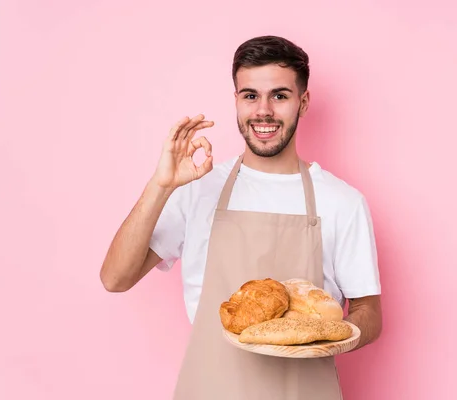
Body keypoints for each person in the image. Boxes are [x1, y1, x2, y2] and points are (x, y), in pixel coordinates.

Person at [100, 35, 382, 400]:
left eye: (279, 96)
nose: (263, 111)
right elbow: (115, 278)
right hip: (211, 388)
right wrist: (161, 185)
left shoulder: (342, 202)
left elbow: (369, 311)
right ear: (236, 100)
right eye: (250, 95)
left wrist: (321, 338)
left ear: (303, 102)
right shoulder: (197, 188)